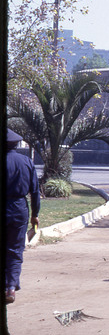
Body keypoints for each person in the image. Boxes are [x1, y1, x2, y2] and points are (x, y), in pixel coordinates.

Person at [5, 128, 40, 304]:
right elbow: (35, 191)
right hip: (19, 209)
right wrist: (35, 215)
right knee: (14, 249)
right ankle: (10, 287)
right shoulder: (26, 162)